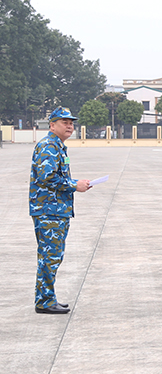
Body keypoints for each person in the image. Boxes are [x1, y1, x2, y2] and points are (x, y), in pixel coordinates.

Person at [30, 107, 92, 314]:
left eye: (71, 122)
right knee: (50, 257)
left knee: (50, 256)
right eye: (64, 122)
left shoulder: (57, 146)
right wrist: (75, 185)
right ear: (52, 125)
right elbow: (47, 177)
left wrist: (75, 184)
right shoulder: (49, 146)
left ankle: (46, 298)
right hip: (49, 211)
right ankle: (45, 302)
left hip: (55, 210)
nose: (69, 126)